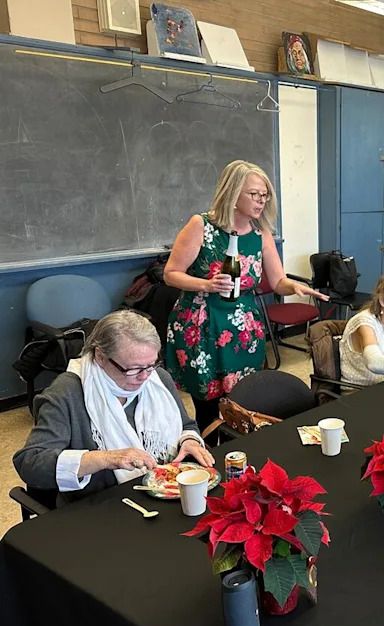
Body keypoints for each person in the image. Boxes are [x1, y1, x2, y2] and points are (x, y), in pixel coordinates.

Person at [163, 160, 327, 429]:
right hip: (202, 327)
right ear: (232, 191)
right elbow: (171, 273)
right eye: (254, 194)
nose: (261, 201)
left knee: (245, 400)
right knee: (208, 403)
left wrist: (294, 288)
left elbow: (278, 281)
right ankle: (211, 455)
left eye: (265, 195)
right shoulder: (200, 226)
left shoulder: (261, 234)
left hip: (243, 331)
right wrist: (207, 285)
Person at [13, 311, 214, 503]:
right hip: (99, 505)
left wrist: (189, 441)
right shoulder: (66, 394)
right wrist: (106, 458)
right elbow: (30, 463)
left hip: (163, 492)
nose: (145, 376)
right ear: (100, 357)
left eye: (151, 364)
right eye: (133, 369)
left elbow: (186, 425)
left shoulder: (158, 379)